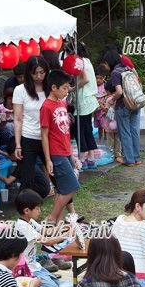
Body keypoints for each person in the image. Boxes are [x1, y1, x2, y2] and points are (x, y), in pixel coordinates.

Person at [40, 70, 81, 223]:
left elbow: (66, 132)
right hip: (56, 153)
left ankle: (58, 221)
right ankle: (51, 218)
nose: (66, 91)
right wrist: (48, 159)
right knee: (71, 187)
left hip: (65, 151)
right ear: (53, 87)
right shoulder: (46, 107)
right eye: (64, 88)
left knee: (63, 189)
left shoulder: (62, 103)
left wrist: (71, 154)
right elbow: (44, 135)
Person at [14, 189, 73, 287]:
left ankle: (37, 281)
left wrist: (64, 228)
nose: (39, 211)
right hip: (27, 268)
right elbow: (47, 241)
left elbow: (46, 231)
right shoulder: (22, 227)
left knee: (55, 281)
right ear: (27, 210)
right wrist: (66, 236)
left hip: (34, 265)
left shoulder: (30, 221)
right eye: (37, 209)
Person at [12, 55, 49, 192]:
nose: (39, 76)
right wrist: (18, 144)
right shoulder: (20, 90)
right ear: (29, 73)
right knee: (26, 179)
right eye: (35, 73)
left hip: (48, 137)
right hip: (28, 137)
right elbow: (17, 118)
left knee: (58, 176)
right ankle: (26, 210)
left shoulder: (51, 88)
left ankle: (71, 212)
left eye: (42, 72)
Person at [105, 50, 141, 167]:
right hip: (136, 102)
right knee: (134, 130)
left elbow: (119, 92)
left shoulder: (115, 72)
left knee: (125, 132)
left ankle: (129, 160)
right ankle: (137, 158)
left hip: (124, 105)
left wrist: (112, 99)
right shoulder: (128, 68)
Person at [72, 43, 100, 168]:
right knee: (87, 129)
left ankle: (82, 158)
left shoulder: (79, 62)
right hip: (90, 98)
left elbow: (86, 79)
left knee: (79, 129)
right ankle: (91, 158)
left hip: (83, 99)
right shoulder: (87, 60)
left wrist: (72, 88)